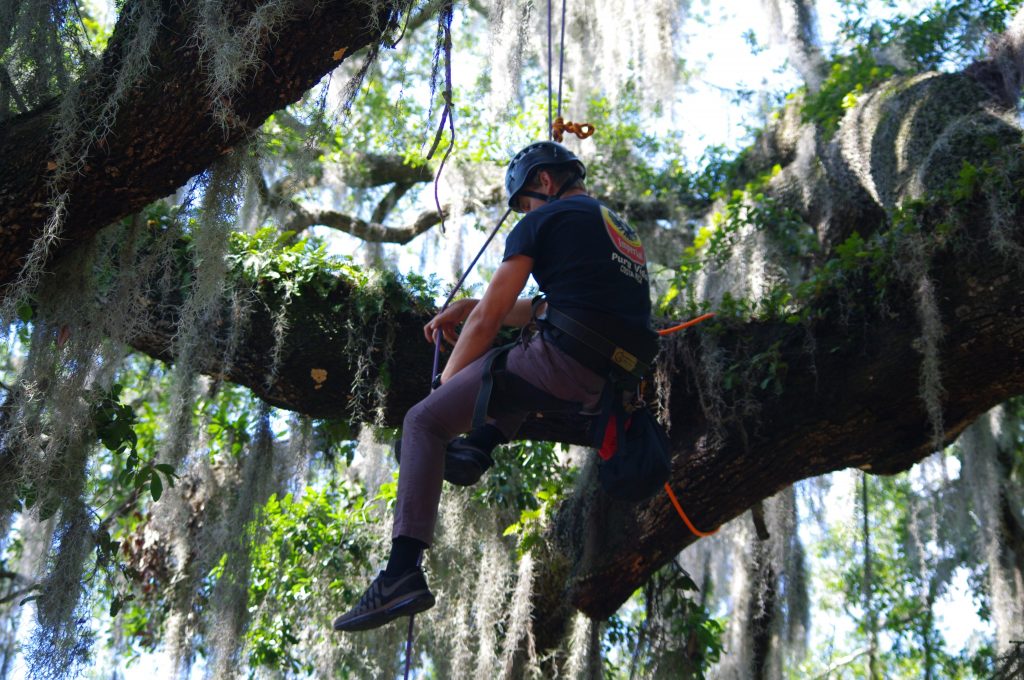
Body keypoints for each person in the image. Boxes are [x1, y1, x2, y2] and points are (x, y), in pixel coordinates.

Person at [332, 141, 655, 632]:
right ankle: (478, 447)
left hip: (563, 360)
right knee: (514, 373)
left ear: (544, 182)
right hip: (606, 380)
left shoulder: (542, 222)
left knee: (423, 421)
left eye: (524, 202)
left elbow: (487, 321)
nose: (523, 212)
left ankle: (401, 574)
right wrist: (472, 304)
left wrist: (443, 386)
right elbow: (553, 307)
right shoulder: (616, 230)